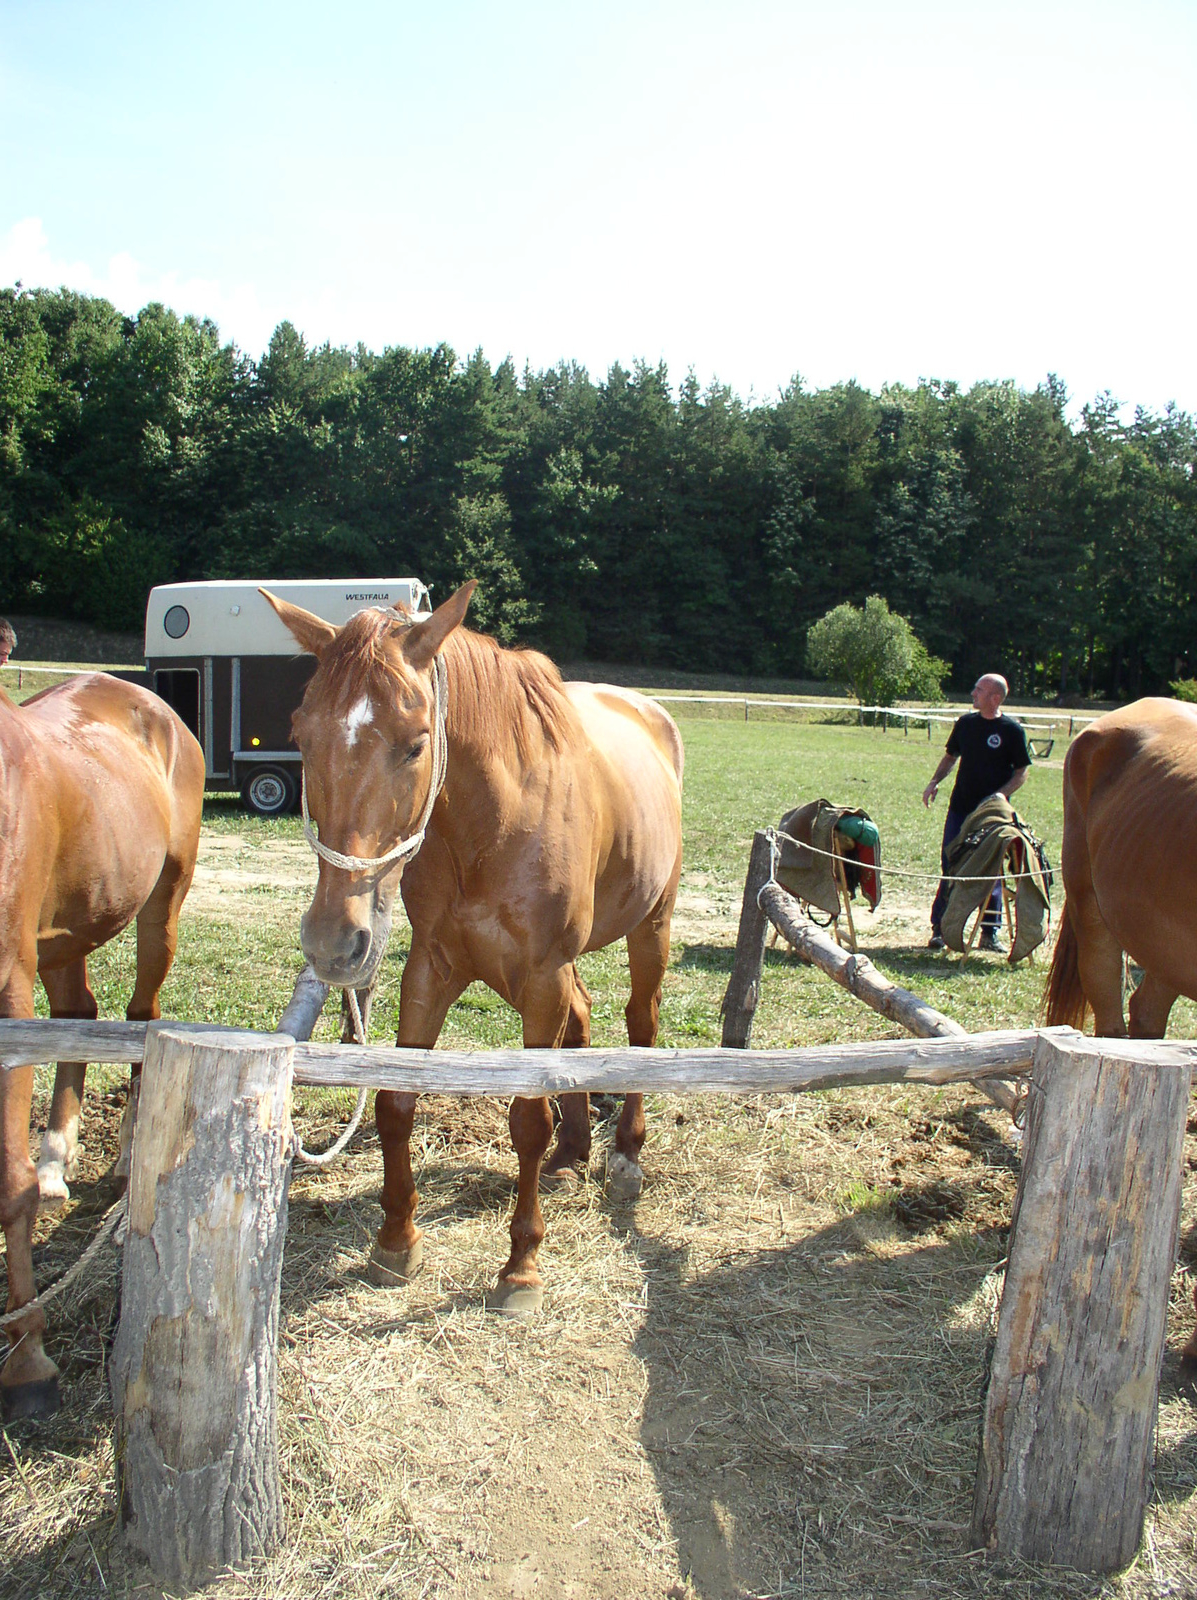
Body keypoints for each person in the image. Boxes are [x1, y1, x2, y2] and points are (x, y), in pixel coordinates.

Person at [922, 673, 1031, 953]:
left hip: (991, 816)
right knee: (951, 864)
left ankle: (989, 934)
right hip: (960, 808)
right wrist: (935, 782)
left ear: (994, 698)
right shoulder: (965, 724)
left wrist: (1001, 795)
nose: (973, 693)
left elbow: (1021, 773)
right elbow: (950, 757)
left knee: (990, 870)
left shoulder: (1011, 730)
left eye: (979, 690)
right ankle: (940, 929)